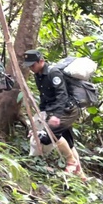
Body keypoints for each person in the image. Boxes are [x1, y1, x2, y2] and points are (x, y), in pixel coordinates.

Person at [23, 49, 85, 177]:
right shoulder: (38, 75)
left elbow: (62, 96)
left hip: (67, 110)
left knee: (51, 135)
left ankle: (71, 161)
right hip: (53, 110)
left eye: (32, 65)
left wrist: (56, 116)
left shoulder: (53, 73)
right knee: (67, 140)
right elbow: (44, 96)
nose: (31, 68)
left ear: (41, 61)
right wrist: (41, 114)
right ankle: (81, 175)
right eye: (29, 66)